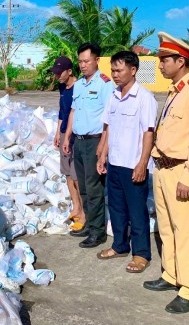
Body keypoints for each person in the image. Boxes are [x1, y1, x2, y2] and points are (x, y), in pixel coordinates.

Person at [143, 32, 189, 314]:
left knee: (186, 232)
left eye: (164, 60)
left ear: (180, 61)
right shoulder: (175, 90)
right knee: (167, 228)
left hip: (181, 171)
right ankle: (171, 275)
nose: (160, 65)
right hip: (162, 169)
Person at [96, 51, 157, 273]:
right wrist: (102, 155)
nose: (115, 74)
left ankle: (141, 254)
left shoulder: (145, 98)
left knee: (136, 211)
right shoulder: (113, 96)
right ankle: (119, 245)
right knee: (117, 208)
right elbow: (108, 127)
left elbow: (148, 133)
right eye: (113, 70)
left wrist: (143, 163)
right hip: (115, 163)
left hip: (134, 165)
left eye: (119, 70)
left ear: (133, 70)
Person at [63, 43, 115, 248]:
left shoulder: (105, 84)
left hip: (95, 141)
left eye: (86, 61)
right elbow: (73, 112)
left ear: (97, 60)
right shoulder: (79, 85)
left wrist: (103, 146)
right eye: (80, 61)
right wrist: (67, 137)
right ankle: (87, 223)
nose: (83, 65)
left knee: (94, 189)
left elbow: (109, 119)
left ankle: (97, 231)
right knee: (83, 187)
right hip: (79, 141)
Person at [50, 56, 86, 231]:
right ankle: (76, 207)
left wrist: (68, 136)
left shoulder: (80, 88)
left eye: (59, 73)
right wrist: (58, 133)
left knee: (77, 175)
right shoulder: (62, 87)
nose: (57, 76)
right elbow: (62, 112)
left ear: (70, 71)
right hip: (64, 133)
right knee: (68, 174)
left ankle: (84, 214)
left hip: (75, 135)